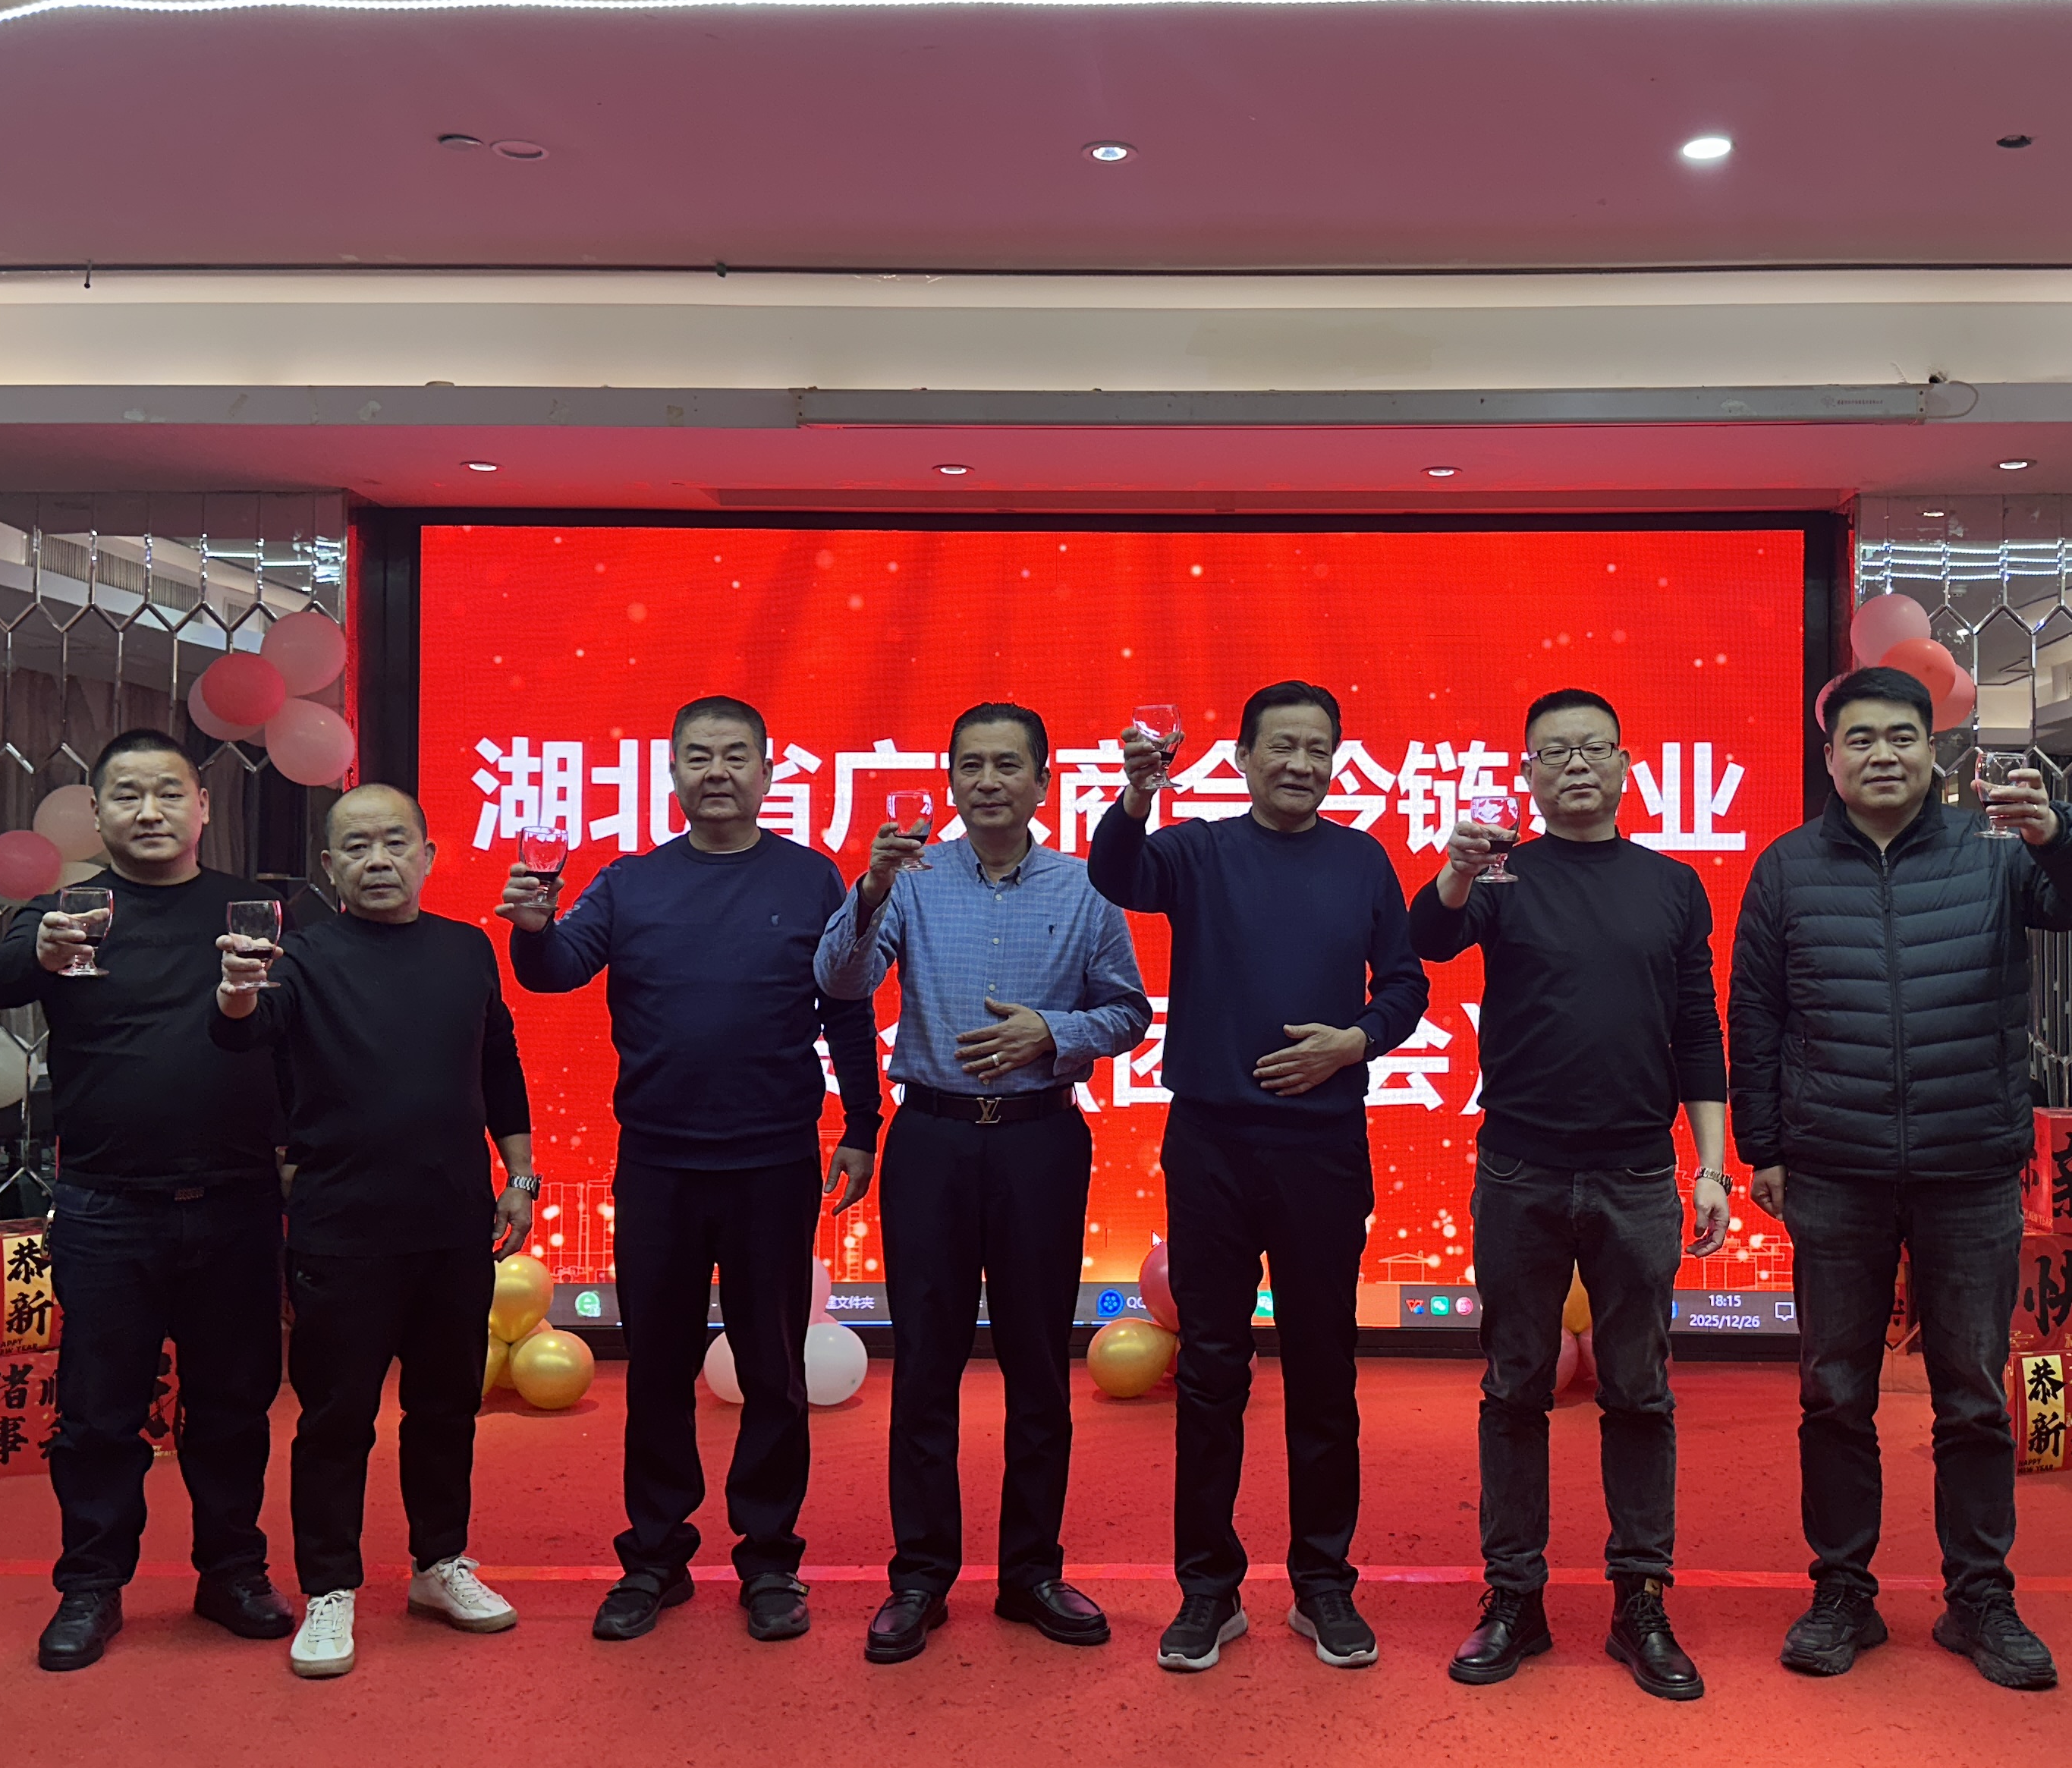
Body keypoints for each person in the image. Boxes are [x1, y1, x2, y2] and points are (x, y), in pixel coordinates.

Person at [1728, 663, 2072, 1691]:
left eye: (1901, 737)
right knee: (1834, 1393)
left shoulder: (1996, 852)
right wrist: (1763, 1149)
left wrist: (2061, 829)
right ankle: (1842, 1592)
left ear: (1933, 751)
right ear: (1829, 758)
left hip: (1970, 1168)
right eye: (1860, 739)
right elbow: (1757, 1016)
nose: (1882, 755)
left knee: (1975, 1398)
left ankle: (1979, 1598)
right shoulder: (1786, 869)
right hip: (1834, 1169)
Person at [505, 696, 881, 1645]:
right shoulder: (629, 883)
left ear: (767, 772)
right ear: (671, 774)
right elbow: (554, 971)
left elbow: (846, 1005)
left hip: (773, 1161)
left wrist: (863, 1123)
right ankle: (655, 1558)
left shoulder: (810, 877)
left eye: (736, 755)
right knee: (659, 1370)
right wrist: (534, 928)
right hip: (659, 1164)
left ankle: (770, 1560)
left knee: (773, 1371)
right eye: (699, 756)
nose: (718, 772)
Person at [1090, 681, 1428, 1675]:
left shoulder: (1362, 860)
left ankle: (1323, 1584)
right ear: (1242, 758)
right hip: (1212, 1145)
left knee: (1325, 1369)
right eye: (1281, 745)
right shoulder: (1197, 852)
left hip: (1323, 1146)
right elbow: (1118, 874)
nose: (1301, 763)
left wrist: (1353, 1042)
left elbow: (1405, 986)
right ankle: (1208, 1589)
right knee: (1210, 1371)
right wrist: (1136, 794)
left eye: (1318, 748)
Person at [1408, 689, 1731, 1702]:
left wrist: (1711, 1165)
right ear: (1530, 773)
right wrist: (1459, 865)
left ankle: (1642, 1600)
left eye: (1594, 748)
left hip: (1637, 1172)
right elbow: (1429, 936)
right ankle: (1515, 1598)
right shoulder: (1502, 875)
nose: (1577, 765)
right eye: (1555, 752)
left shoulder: (1672, 885)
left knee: (1640, 1390)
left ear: (1628, 765)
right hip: (1521, 1170)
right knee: (1515, 1386)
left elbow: (1698, 1029)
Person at [815, 703, 1152, 1663]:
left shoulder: (1086, 886)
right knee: (925, 1364)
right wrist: (870, 889)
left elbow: (1128, 1011)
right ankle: (920, 1576)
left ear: (1044, 781)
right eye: (971, 766)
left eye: (1009, 765)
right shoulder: (911, 881)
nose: (989, 781)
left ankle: (1031, 1571)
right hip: (933, 1139)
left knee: (1039, 1364)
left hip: (1041, 1142)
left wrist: (1055, 1032)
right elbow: (840, 982)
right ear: (952, 782)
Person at [0, 727, 291, 1672]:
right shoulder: (64, 914)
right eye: (127, 795)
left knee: (234, 1404)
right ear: (97, 811)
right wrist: (40, 949)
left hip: (237, 1201)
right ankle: (90, 1587)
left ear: (203, 806)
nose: (149, 812)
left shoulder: (255, 910)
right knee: (99, 1414)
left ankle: (232, 1571)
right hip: (107, 1206)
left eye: (168, 793)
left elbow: (307, 1024)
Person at [209, 785, 537, 1679]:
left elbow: (499, 1062)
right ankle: (330, 1587)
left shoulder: (466, 949)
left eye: (396, 842)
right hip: (342, 1228)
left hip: (454, 1221)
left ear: (428, 855)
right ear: (329, 867)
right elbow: (245, 1035)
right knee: (336, 1418)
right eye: (357, 847)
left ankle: (439, 1563)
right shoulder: (301, 958)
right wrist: (236, 992)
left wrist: (520, 1176)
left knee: (447, 1409)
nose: (379, 859)